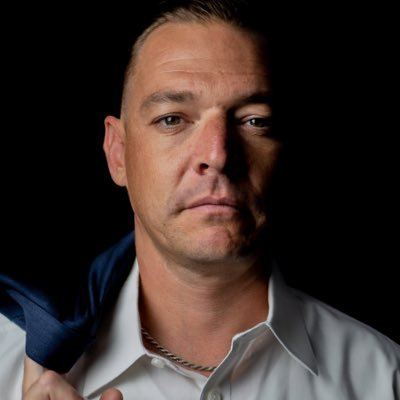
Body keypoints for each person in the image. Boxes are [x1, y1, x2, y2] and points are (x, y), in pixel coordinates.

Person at [0, 1, 399, 399]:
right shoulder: (6, 362)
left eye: (254, 121)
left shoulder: (384, 378)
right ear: (118, 153)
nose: (218, 154)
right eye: (172, 119)